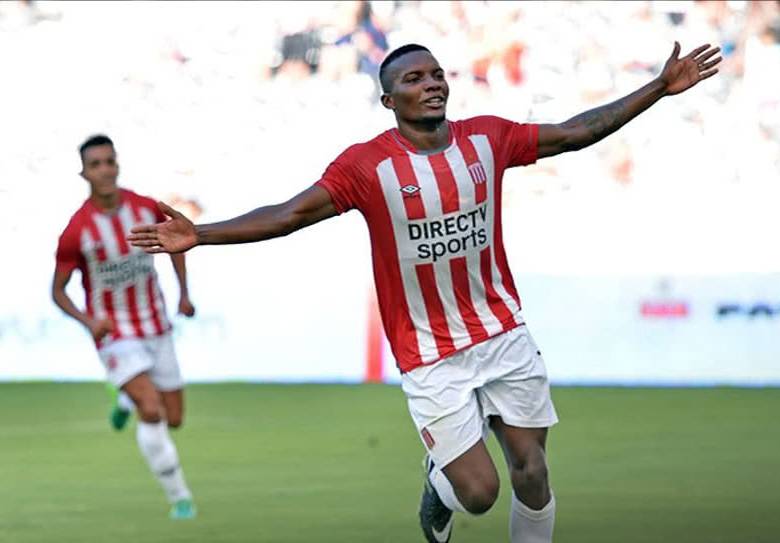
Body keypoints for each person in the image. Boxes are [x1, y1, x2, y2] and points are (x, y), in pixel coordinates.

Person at [128, 42, 720, 541]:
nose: (432, 84)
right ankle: (439, 482)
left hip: (504, 333)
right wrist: (201, 234)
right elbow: (288, 215)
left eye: (437, 74)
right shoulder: (366, 166)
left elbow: (574, 134)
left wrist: (658, 88)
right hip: (430, 353)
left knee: (533, 470)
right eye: (414, 78)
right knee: (481, 494)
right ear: (390, 100)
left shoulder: (488, 139)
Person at [52, 135, 197, 520]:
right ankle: (180, 497)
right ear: (84, 172)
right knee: (151, 411)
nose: (104, 169)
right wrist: (87, 321)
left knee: (175, 418)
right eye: (95, 164)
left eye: (109, 161)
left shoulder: (144, 208)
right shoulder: (76, 231)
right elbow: (58, 292)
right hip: (114, 333)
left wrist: (183, 293)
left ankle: (122, 398)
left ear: (117, 165)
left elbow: (175, 246)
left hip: (156, 324)